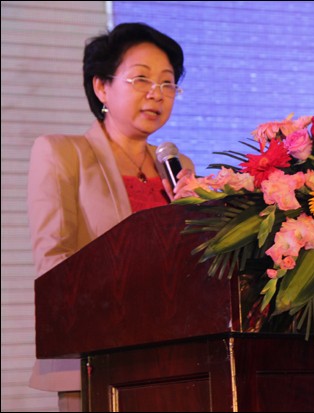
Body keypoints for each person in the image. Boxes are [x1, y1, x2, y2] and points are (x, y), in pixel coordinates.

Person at [27, 22, 195, 412]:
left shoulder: (178, 166)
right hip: (98, 358)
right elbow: (54, 265)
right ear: (102, 87)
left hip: (177, 359)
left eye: (168, 83)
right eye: (141, 79)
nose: (156, 93)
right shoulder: (62, 153)